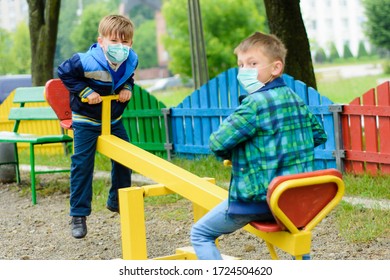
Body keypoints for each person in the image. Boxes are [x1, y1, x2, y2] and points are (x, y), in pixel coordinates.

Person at [190, 31, 327, 259]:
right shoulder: (296, 99)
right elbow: (318, 135)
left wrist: (235, 152)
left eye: (252, 63)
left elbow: (216, 142)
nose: (244, 71)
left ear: (275, 68)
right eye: (241, 65)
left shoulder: (253, 104)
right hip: (296, 200)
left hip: (260, 202)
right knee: (298, 237)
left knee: (200, 233)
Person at [58, 15, 138, 239]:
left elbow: (129, 78)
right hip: (87, 119)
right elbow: (64, 73)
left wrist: (128, 89)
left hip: (112, 120)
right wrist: (86, 92)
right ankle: (78, 214)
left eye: (126, 43)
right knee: (83, 164)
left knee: (125, 158)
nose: (120, 47)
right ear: (101, 41)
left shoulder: (131, 59)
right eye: (114, 41)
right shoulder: (84, 61)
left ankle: (117, 200)